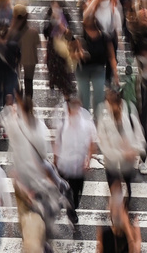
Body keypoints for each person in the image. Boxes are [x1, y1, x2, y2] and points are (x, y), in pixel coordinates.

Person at [97, 87, 147, 207]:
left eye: (109, 104)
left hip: (127, 163)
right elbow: (103, 144)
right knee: (115, 194)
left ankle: (125, 208)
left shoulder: (129, 111)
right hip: (112, 163)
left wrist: (135, 150)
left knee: (127, 190)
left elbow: (139, 134)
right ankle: (118, 216)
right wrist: (123, 154)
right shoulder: (104, 117)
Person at [54, 94, 98, 226]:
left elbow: (92, 142)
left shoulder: (86, 124)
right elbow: (57, 142)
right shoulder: (63, 123)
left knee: (76, 195)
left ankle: (70, 206)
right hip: (65, 165)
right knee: (67, 191)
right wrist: (55, 161)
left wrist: (88, 159)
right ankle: (70, 213)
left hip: (78, 166)